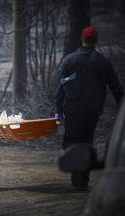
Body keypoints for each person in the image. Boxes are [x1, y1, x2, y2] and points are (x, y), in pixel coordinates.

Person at [55, 26, 123, 190]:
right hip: (92, 110)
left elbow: (60, 88)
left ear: (82, 39)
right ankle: (83, 178)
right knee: (86, 141)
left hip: (72, 109)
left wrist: (58, 110)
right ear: (96, 41)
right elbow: (117, 89)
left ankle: (75, 169)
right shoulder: (103, 62)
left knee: (71, 140)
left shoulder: (69, 60)